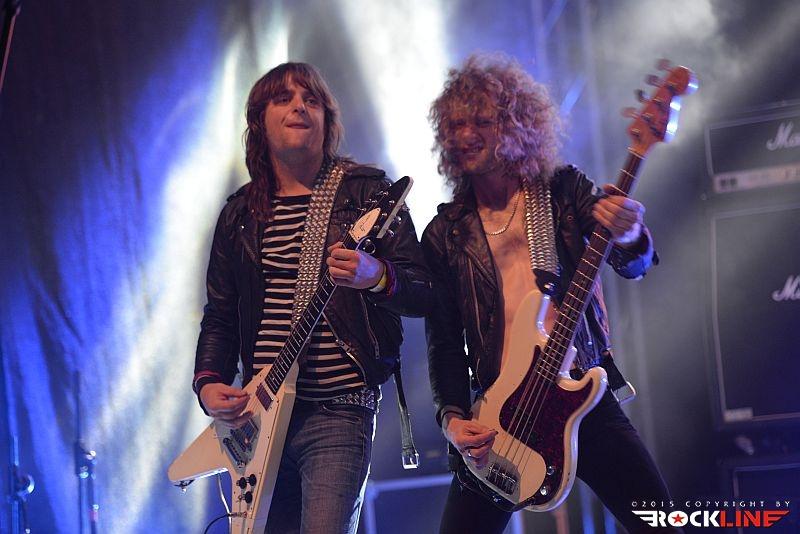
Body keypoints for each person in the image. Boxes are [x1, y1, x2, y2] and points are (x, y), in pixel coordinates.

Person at [421, 54, 679, 533]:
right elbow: (444, 342)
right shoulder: (445, 233)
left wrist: (629, 233)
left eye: (482, 121)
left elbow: (633, 265)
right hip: (502, 413)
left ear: (516, 125)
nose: (467, 134)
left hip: (578, 393)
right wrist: (452, 417)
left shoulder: (563, 192)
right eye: (456, 124)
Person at [192, 62, 432, 534]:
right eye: (283, 98)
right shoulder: (239, 214)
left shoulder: (366, 193)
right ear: (259, 121)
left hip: (338, 408)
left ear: (327, 119)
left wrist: (377, 276)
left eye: (312, 99)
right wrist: (207, 382)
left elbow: (425, 292)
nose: (299, 106)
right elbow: (220, 314)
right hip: (259, 414)